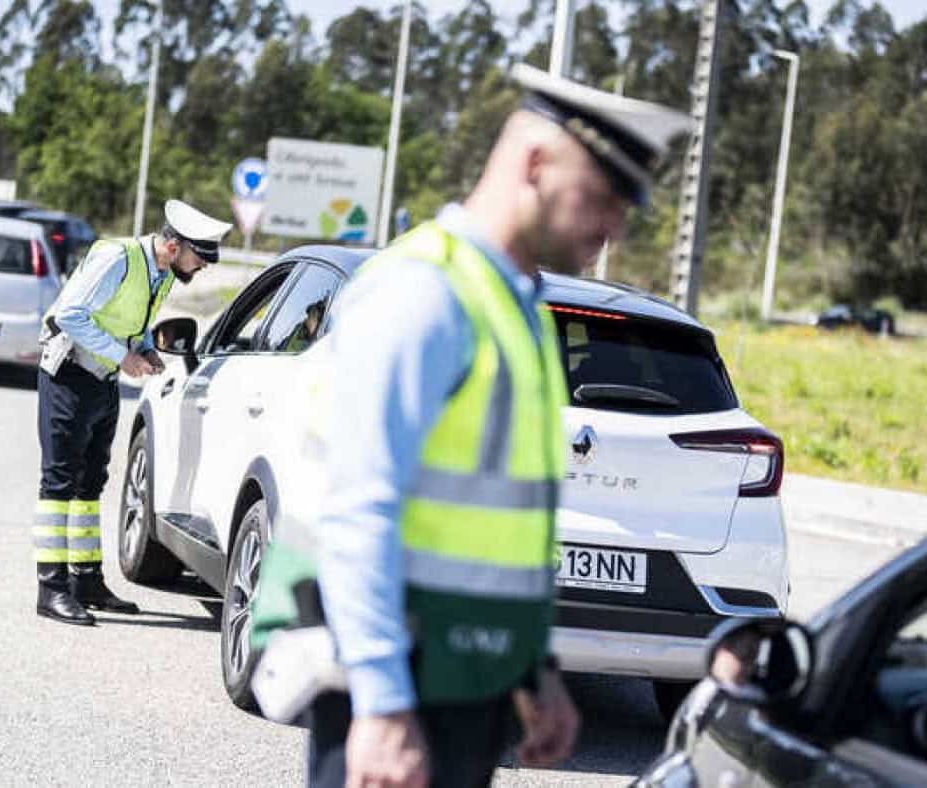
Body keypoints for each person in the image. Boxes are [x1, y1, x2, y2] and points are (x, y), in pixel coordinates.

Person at [251, 64, 692, 786]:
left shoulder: (515, 304)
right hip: (396, 687)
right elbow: (359, 508)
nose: (614, 226)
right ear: (536, 165)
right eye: (603, 198)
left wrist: (534, 671)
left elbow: (500, 533)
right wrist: (384, 706)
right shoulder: (424, 292)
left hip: (465, 684)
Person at [32, 199, 231, 626]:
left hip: (102, 381)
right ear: (174, 246)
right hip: (69, 374)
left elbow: (131, 322)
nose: (203, 267)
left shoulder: (163, 273)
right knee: (59, 482)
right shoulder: (116, 257)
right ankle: (51, 589)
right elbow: (70, 315)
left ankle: (86, 581)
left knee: (90, 484)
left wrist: (143, 348)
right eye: (200, 257)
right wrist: (123, 356)